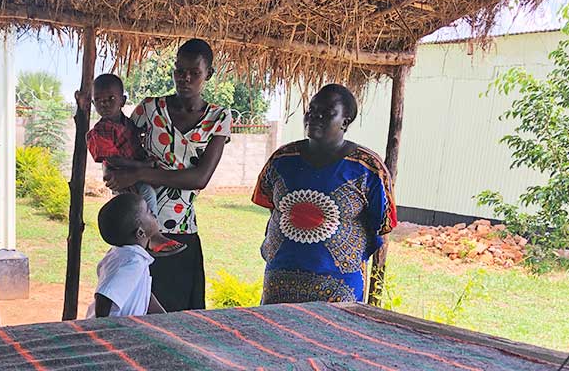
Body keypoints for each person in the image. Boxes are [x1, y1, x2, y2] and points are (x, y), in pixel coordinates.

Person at [103, 39, 232, 312]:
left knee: (180, 318)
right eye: (179, 70)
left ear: (209, 74)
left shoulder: (218, 118)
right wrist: (114, 173)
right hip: (138, 232)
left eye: (194, 72)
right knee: (135, 313)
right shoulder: (150, 109)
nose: (184, 78)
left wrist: (139, 172)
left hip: (182, 230)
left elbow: (200, 178)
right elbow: (114, 140)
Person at [251, 84, 397, 304]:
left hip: (339, 285)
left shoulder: (368, 168)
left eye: (326, 112)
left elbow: (382, 224)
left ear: (345, 122)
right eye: (311, 109)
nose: (314, 116)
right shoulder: (282, 159)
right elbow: (272, 205)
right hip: (280, 277)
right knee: (276, 334)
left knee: (334, 336)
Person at [84, 74, 186, 257]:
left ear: (123, 100)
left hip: (136, 173)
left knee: (138, 210)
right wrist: (140, 166)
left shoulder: (128, 123)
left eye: (110, 99)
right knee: (145, 196)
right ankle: (154, 235)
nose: (104, 104)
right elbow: (113, 159)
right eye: (98, 100)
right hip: (123, 178)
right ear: (93, 104)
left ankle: (138, 243)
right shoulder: (100, 130)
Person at [86, 193, 167, 318]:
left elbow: (145, 293)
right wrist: (101, 327)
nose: (154, 214)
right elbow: (104, 297)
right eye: (149, 212)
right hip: (112, 329)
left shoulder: (124, 254)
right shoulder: (132, 260)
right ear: (140, 232)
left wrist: (165, 317)